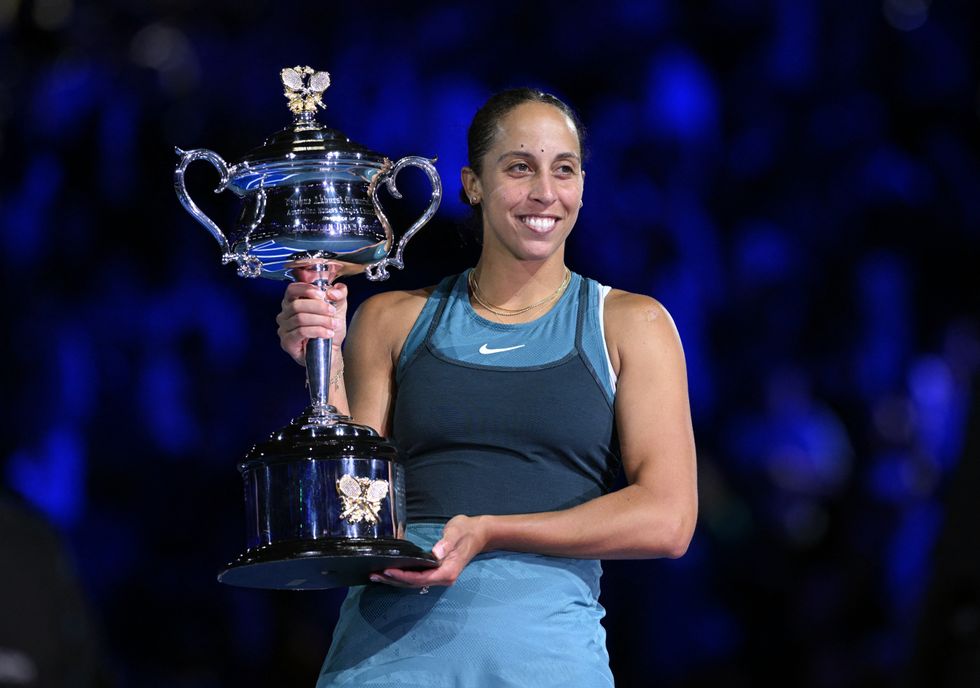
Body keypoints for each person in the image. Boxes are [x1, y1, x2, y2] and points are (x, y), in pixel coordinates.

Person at [276, 88, 698, 687]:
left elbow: (668, 519)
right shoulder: (390, 319)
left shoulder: (632, 324)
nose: (544, 193)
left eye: (565, 169)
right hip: (385, 666)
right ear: (472, 184)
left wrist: (493, 530)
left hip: (546, 666)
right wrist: (321, 361)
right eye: (519, 167)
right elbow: (352, 512)